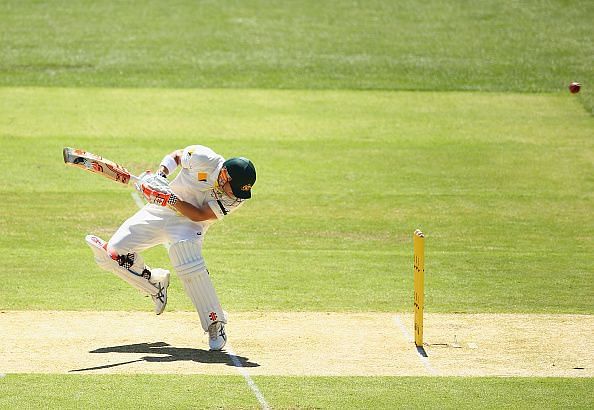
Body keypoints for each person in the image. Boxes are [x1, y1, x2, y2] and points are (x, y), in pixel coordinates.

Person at [85, 145, 256, 351]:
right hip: (159, 212)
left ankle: (215, 322)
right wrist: (160, 176)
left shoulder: (235, 198)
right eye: (234, 188)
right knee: (110, 255)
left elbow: (199, 215)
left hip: (189, 224)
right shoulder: (203, 157)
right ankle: (154, 284)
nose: (236, 195)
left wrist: (169, 198)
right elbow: (176, 156)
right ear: (224, 176)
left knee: (187, 260)